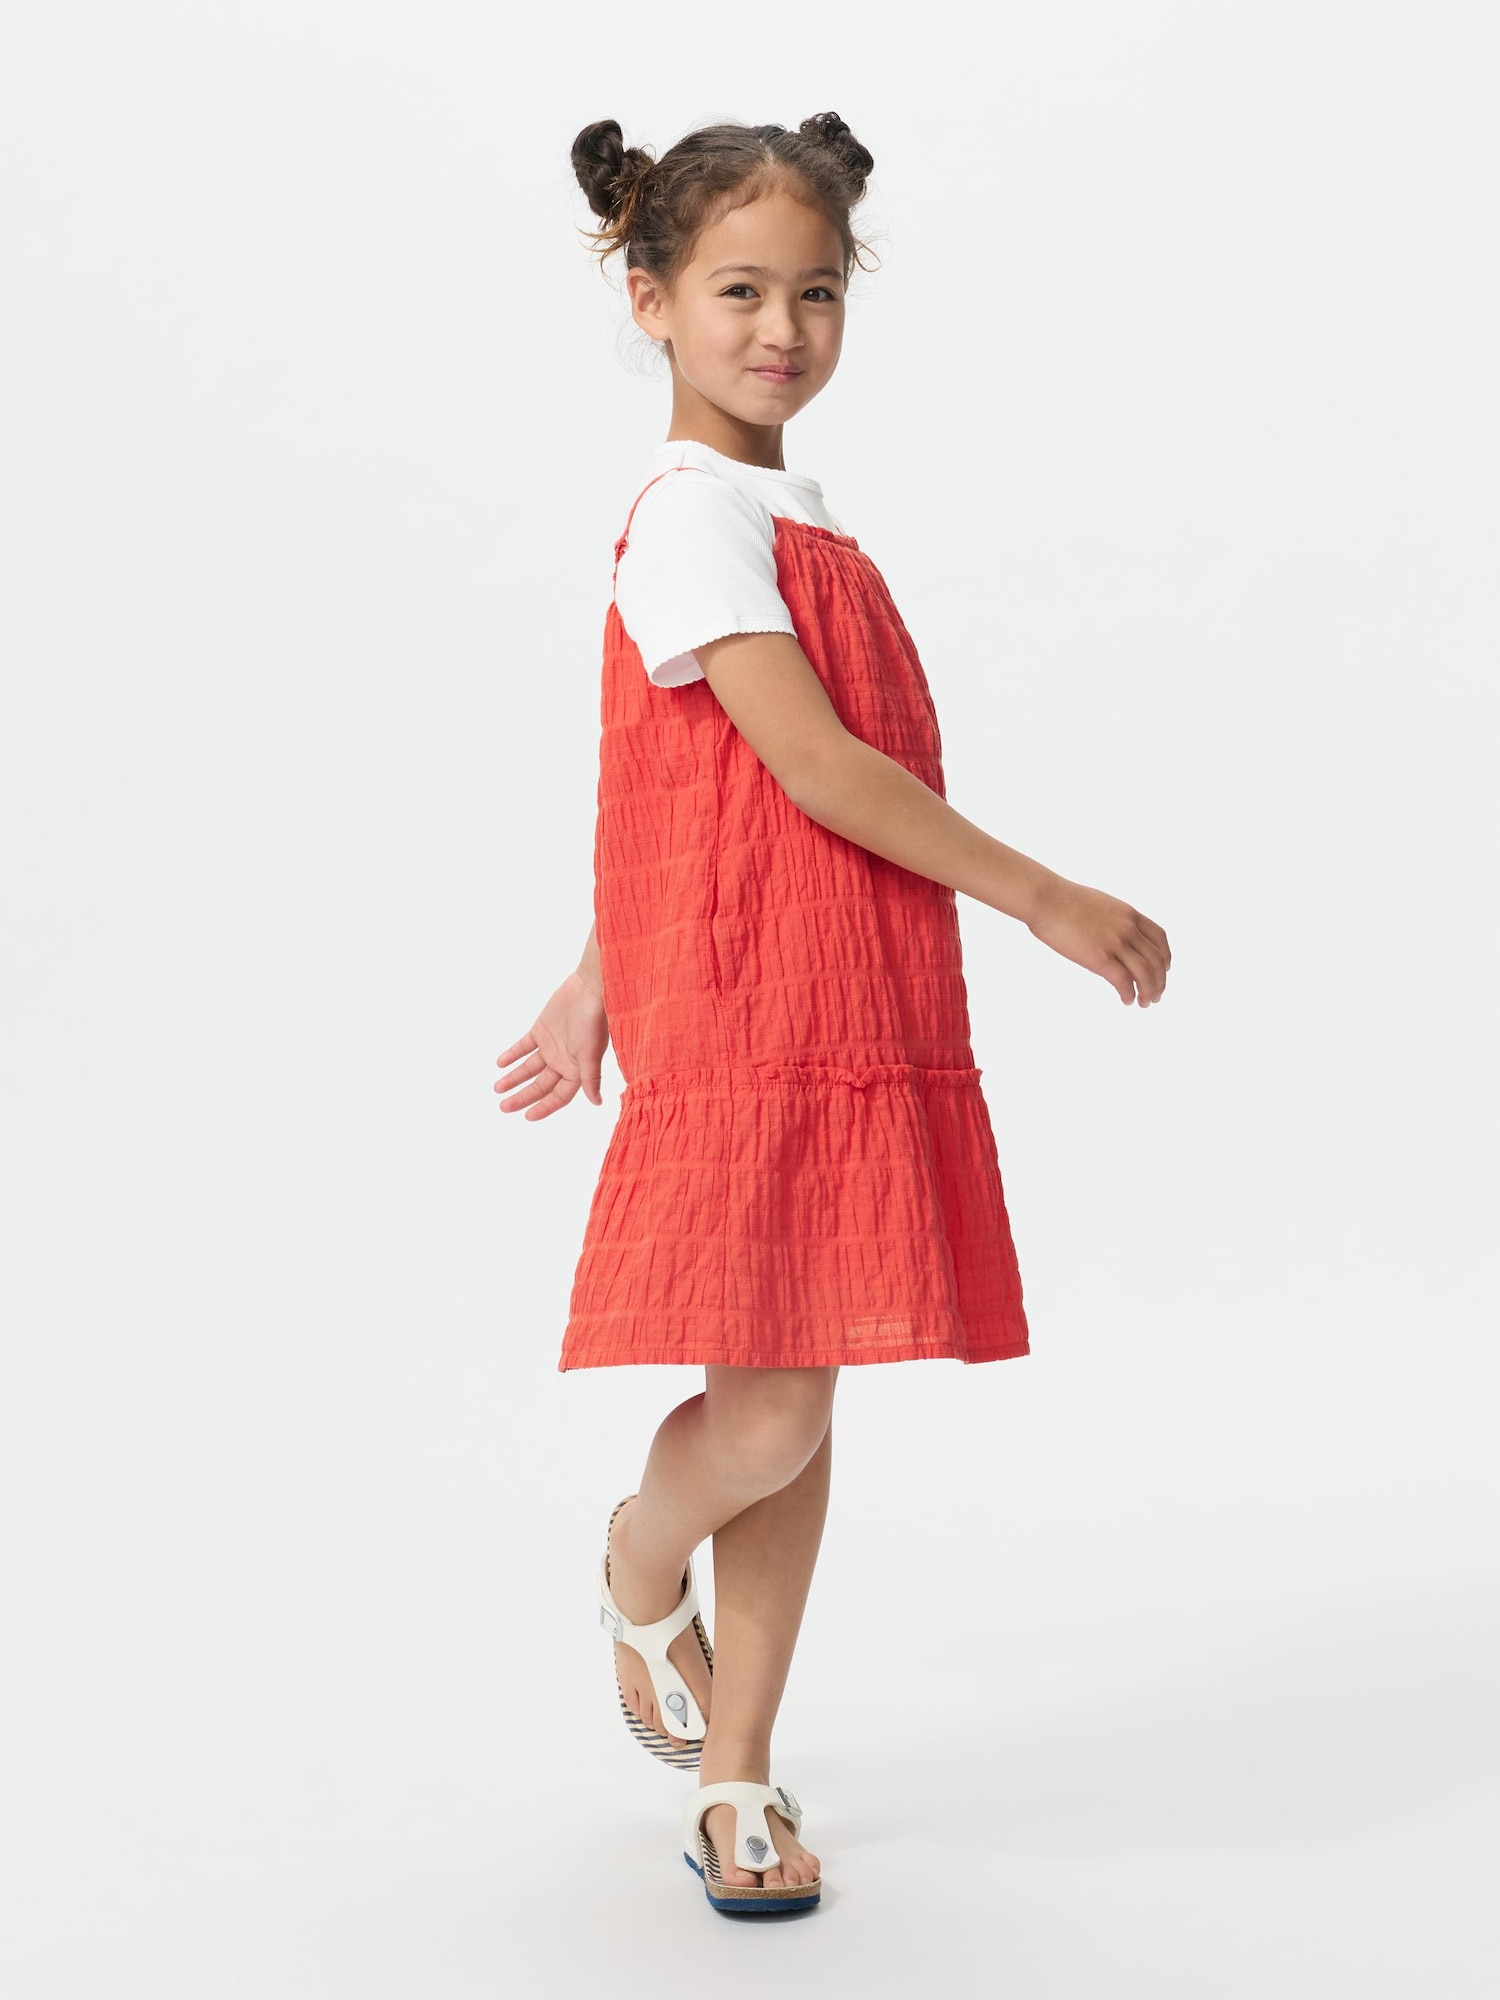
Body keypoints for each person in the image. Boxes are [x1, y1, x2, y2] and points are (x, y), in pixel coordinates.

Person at [495, 112, 1171, 1918]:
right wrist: (1043, 894)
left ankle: (737, 1772)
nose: (780, 329)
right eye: (736, 291)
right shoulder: (691, 517)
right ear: (649, 301)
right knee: (770, 1417)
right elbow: (809, 767)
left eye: (814, 292)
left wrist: (591, 968)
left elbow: (690, 780)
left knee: (803, 1386)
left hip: (844, 983)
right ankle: (642, 1569)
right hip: (751, 1004)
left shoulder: (796, 517)